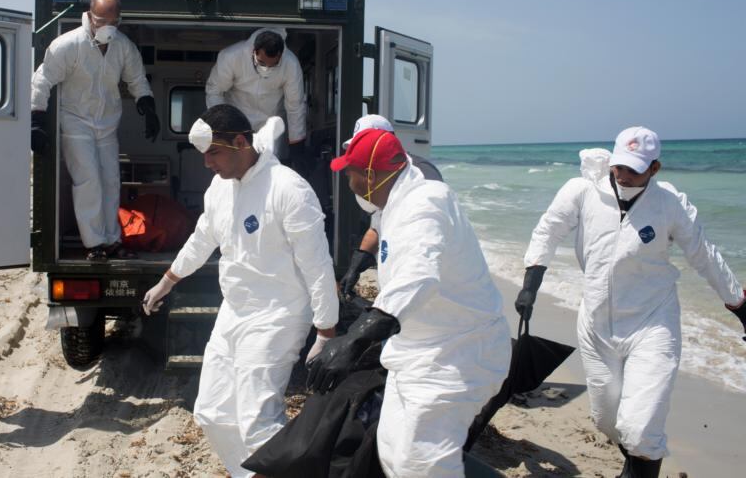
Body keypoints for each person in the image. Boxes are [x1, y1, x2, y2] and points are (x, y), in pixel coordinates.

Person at [516, 126, 746, 478]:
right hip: (596, 325)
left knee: (640, 429)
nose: (622, 175)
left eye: (633, 169)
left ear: (654, 168)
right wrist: (531, 283)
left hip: (652, 324)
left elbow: (704, 255)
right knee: (608, 422)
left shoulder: (669, 204)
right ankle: (634, 458)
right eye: (619, 166)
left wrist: (738, 305)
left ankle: (640, 464)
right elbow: (548, 230)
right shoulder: (582, 192)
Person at [141, 104, 339, 478]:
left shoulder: (289, 190)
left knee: (258, 421)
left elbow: (318, 267)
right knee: (211, 413)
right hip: (234, 312)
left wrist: (326, 330)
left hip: (278, 315)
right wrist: (167, 280)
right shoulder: (220, 188)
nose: (207, 164)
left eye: (213, 153)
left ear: (240, 142)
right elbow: (202, 239)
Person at [308, 129, 511, 477]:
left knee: (421, 463)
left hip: (457, 356)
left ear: (370, 176)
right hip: (416, 352)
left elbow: (417, 277)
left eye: (349, 172)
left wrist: (354, 340)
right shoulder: (397, 201)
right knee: (393, 452)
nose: (347, 179)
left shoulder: (424, 204)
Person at [30, 0, 159, 260]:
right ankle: (94, 243)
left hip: (107, 123)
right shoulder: (68, 45)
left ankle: (112, 240)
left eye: (113, 22)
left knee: (111, 181)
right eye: (101, 21)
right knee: (88, 181)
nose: (107, 27)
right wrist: (35, 119)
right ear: (89, 16)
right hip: (75, 121)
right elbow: (42, 80)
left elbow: (136, 78)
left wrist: (148, 107)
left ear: (119, 21)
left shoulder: (123, 46)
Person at [337, 115, 444, 299]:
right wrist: (357, 263)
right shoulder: (383, 179)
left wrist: (385, 314)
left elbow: (425, 258)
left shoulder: (423, 178)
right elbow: (377, 224)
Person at [205, 28, 308, 164]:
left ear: (281, 55)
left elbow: (295, 106)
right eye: (262, 63)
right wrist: (223, 128)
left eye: (274, 65)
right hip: (236, 124)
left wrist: (297, 145)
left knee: (269, 169)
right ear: (254, 51)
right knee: (234, 168)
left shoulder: (291, 64)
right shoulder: (231, 56)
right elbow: (215, 91)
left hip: (270, 125)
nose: (267, 69)